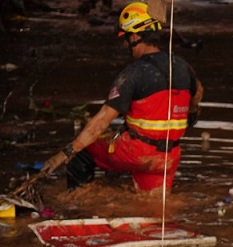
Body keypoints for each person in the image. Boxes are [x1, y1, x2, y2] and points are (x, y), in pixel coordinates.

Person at [41, 1, 203, 192]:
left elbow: (101, 122)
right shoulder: (183, 66)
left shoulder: (133, 73)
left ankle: (77, 205)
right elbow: (198, 90)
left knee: (82, 152)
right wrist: (191, 113)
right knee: (154, 209)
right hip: (168, 157)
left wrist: (64, 153)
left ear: (135, 36)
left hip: (136, 153)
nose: (126, 44)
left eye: (126, 39)